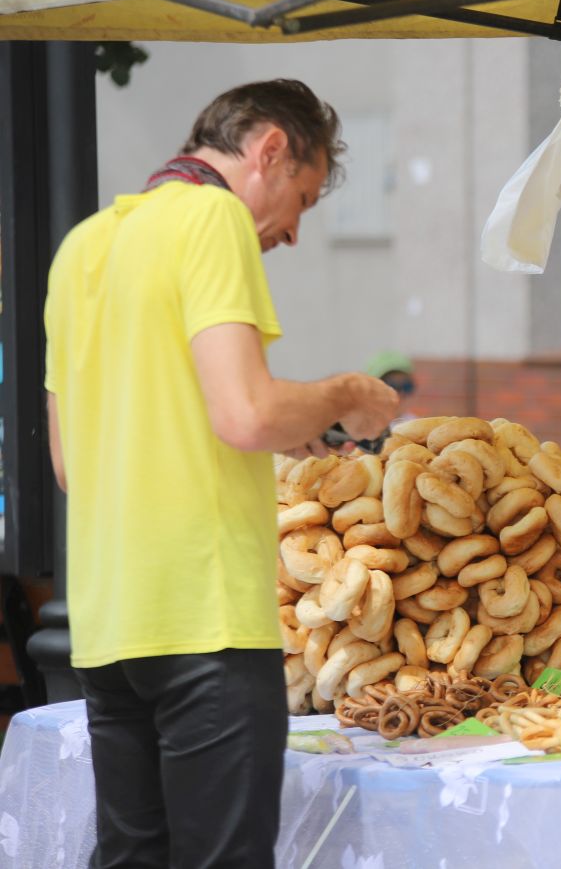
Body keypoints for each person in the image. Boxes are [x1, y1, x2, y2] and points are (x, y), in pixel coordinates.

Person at [44, 79, 399, 869]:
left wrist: (287, 424)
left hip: (108, 627)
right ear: (269, 149)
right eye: (302, 198)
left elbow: (74, 463)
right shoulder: (213, 218)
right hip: (204, 618)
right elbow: (244, 414)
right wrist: (346, 393)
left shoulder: (83, 245)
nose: (295, 231)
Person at [365, 349, 417, 423]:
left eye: (406, 386)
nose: (400, 393)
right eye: (390, 385)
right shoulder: (355, 427)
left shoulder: (417, 426)